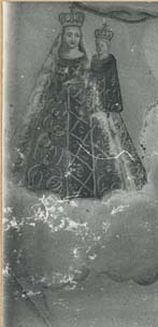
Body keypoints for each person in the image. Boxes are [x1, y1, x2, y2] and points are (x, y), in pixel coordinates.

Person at [12, 10, 95, 198]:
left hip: (78, 113)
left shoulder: (84, 59)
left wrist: (76, 86)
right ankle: (49, 186)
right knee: (47, 146)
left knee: (80, 150)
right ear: (63, 36)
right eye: (69, 34)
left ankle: (79, 188)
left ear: (80, 37)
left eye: (76, 35)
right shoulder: (56, 57)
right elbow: (47, 82)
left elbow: (89, 84)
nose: (73, 39)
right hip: (55, 110)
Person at [87, 22, 146, 197]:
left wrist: (111, 105)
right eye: (98, 45)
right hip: (95, 101)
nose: (100, 47)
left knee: (115, 139)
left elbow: (113, 83)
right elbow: (90, 81)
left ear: (108, 46)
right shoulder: (93, 61)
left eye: (102, 45)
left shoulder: (110, 61)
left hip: (108, 104)